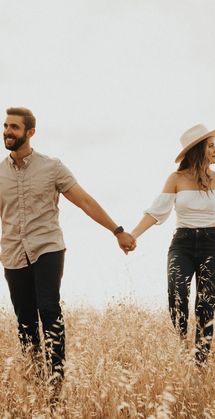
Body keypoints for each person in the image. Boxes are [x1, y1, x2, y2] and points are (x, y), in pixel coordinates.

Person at [0, 107, 136, 390]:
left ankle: (56, 381)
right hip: (12, 252)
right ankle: (37, 380)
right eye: (5, 126)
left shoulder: (52, 167)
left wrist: (117, 230)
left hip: (47, 246)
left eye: (13, 127)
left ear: (30, 132)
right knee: (25, 320)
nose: (7, 132)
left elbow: (84, 200)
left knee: (48, 308)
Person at [131, 124, 215, 366]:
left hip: (212, 244)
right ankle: (181, 350)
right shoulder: (176, 179)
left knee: (205, 308)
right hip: (182, 244)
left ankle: (200, 364)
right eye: (211, 146)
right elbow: (157, 211)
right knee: (177, 296)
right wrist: (133, 234)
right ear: (199, 150)